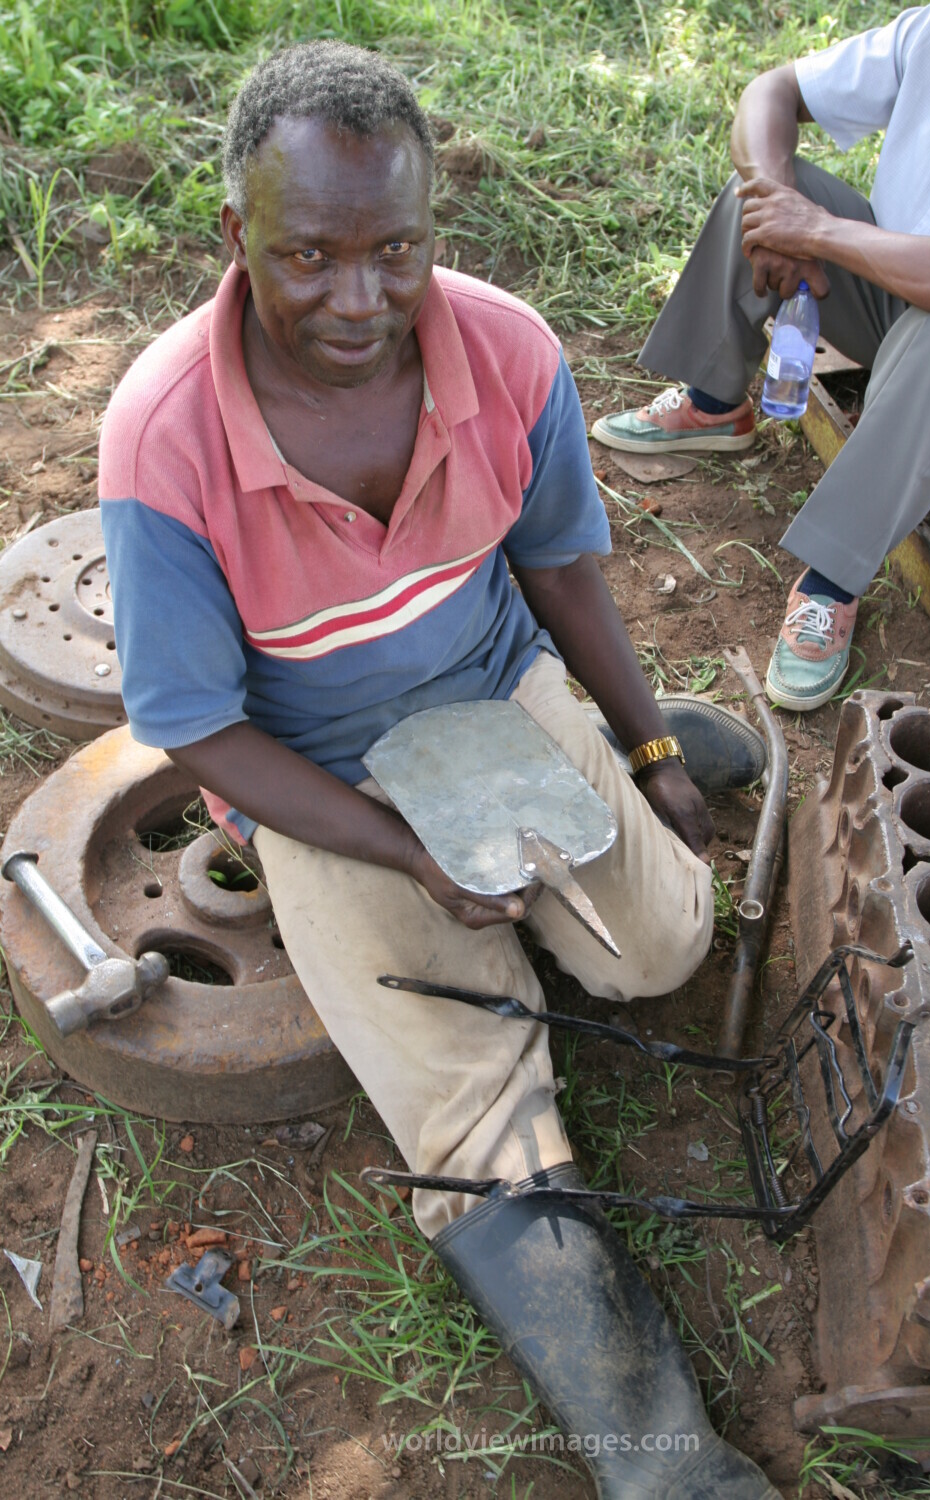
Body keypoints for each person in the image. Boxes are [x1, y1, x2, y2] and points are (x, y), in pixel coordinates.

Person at [98, 40, 775, 1499]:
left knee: (661, 952)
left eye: (394, 250)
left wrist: (648, 749)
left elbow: (561, 568)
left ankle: (678, 744)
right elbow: (201, 728)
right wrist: (409, 852)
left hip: (492, 687)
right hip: (317, 767)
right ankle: (659, 1453)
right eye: (312, 256)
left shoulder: (507, 349)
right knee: (476, 1104)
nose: (360, 299)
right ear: (238, 238)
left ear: (431, 232)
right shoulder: (164, 436)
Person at [592, 0, 930, 713]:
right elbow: (773, 92)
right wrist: (781, 207)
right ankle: (715, 403)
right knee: (771, 186)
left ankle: (831, 583)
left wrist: (820, 233)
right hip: (897, 297)